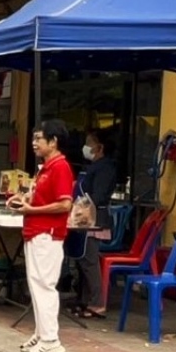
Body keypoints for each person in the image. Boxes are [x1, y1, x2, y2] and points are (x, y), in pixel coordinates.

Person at [10, 119, 75, 352]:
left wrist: (30, 211)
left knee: (44, 286)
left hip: (47, 233)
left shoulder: (60, 167)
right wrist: (22, 200)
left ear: (53, 141)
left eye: (39, 138)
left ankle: (51, 340)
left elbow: (64, 204)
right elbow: (39, 197)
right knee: (36, 285)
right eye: (34, 138)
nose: (34, 143)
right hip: (36, 231)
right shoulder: (45, 167)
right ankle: (41, 333)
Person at [71, 129, 119, 319]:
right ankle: (83, 300)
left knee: (89, 261)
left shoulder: (105, 168)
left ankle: (97, 303)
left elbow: (98, 196)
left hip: (94, 219)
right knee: (81, 259)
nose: (86, 147)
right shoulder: (93, 166)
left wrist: (81, 206)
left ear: (100, 147)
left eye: (89, 143)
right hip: (82, 217)